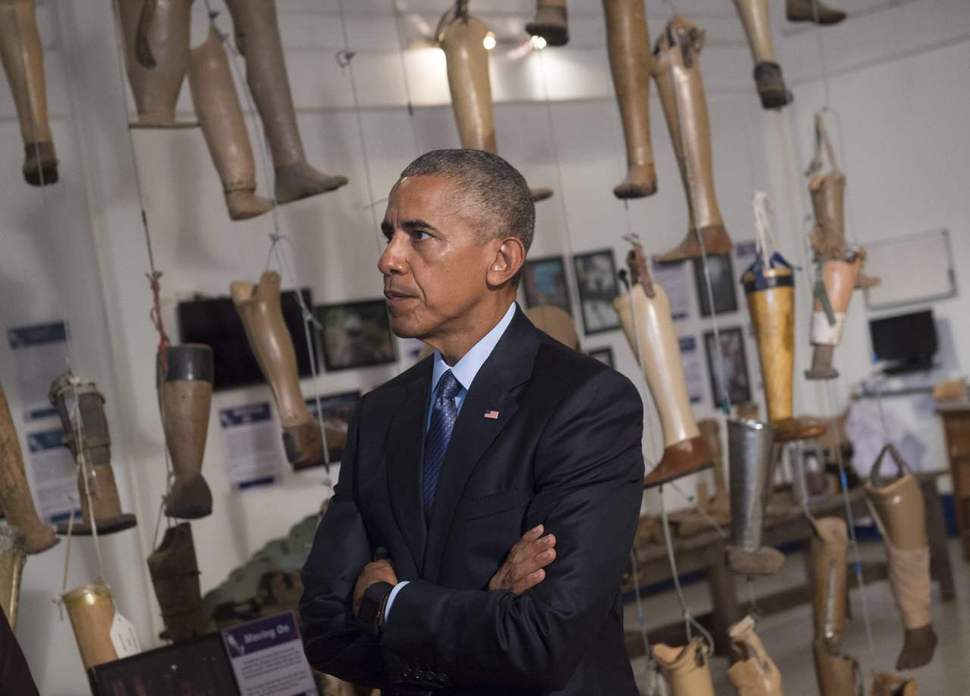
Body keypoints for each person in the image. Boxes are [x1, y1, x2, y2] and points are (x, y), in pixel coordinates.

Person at [300, 149, 644, 694]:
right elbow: (324, 629)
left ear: (502, 260)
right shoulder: (379, 415)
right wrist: (487, 602)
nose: (389, 259)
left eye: (419, 235)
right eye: (389, 234)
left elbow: (543, 641)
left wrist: (388, 603)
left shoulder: (586, 404)